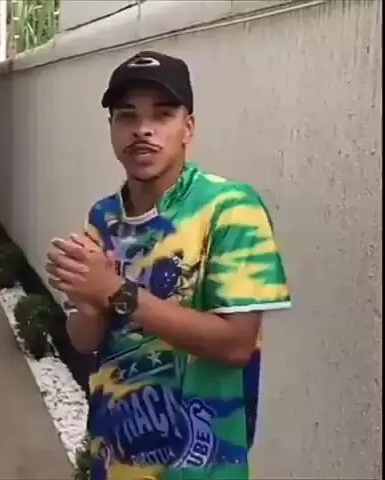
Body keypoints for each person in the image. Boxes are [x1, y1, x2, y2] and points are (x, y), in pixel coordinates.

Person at [45, 51, 291, 480]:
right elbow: (86, 341)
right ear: (111, 128)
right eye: (127, 116)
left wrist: (115, 292)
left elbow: (235, 344)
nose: (143, 129)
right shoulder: (103, 215)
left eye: (162, 115)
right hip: (114, 460)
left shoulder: (230, 209)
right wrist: (86, 303)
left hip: (201, 466)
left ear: (188, 128)